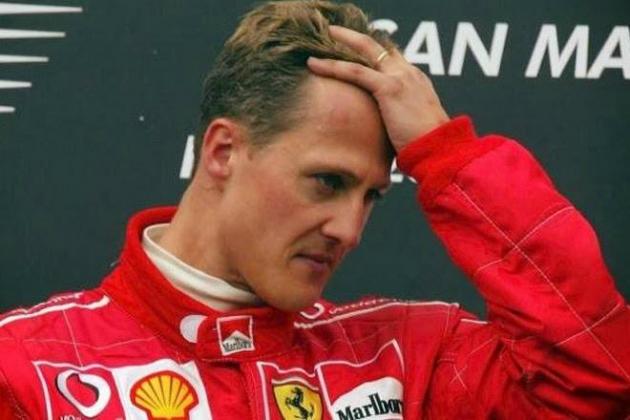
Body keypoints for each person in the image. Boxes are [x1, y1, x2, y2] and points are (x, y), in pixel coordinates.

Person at [1, 1, 628, 418]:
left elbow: (593, 376)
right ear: (222, 152)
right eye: (327, 182)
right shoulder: (27, 367)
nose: (349, 230)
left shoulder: (406, 360)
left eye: (371, 196)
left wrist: (445, 154)